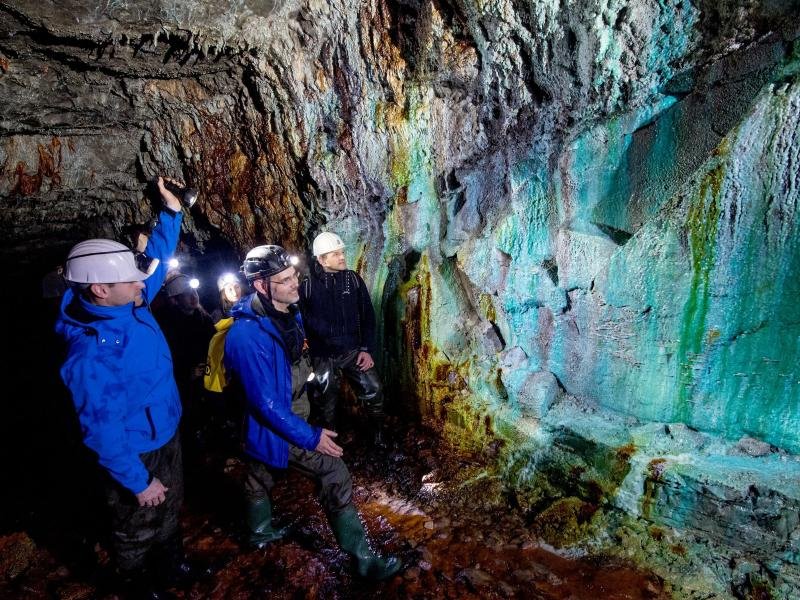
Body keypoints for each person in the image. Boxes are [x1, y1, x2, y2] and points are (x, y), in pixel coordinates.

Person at [55, 178, 204, 598]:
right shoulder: (89, 357)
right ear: (100, 289)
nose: (144, 286)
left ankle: (172, 566)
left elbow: (154, 261)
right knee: (136, 522)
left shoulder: (128, 300)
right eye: (132, 282)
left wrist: (171, 214)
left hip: (166, 430)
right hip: (134, 448)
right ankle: (135, 583)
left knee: (171, 505)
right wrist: (137, 481)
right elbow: (101, 432)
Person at [224, 244, 402, 581]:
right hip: (276, 425)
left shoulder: (288, 316)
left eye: (294, 276)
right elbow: (267, 404)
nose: (296, 283)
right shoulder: (247, 336)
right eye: (285, 279)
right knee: (333, 471)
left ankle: (259, 533)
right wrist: (312, 436)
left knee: (259, 473)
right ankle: (364, 561)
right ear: (262, 285)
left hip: (287, 418)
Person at [299, 231, 387, 447]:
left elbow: (367, 315)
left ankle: (379, 434)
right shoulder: (307, 287)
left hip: (353, 351)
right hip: (323, 356)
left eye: (342, 253)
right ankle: (331, 443)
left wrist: (366, 349)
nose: (342, 257)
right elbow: (301, 322)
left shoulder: (353, 280)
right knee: (325, 401)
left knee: (374, 389)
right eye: (335, 254)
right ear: (321, 259)